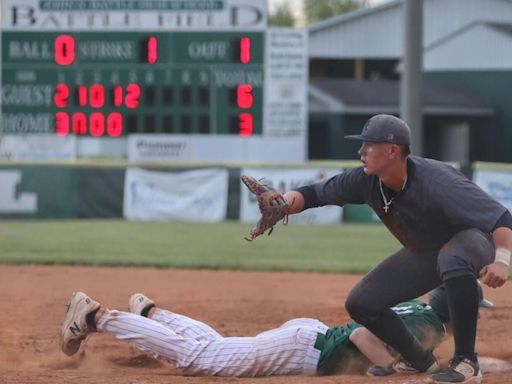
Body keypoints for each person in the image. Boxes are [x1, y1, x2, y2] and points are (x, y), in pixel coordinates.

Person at [272, 114, 512, 383]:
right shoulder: (364, 180)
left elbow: (501, 218)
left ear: (392, 151)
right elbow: (313, 194)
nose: (360, 151)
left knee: (453, 259)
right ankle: (419, 359)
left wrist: (502, 260)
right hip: (427, 251)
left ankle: (467, 363)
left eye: (368, 145)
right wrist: (283, 203)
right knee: (362, 303)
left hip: (473, 240)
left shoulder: (438, 181)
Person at [60, 285, 491, 377]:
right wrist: (405, 370)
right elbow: (362, 338)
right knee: (200, 361)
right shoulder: (428, 324)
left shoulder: (420, 310)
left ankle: (156, 316)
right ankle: (98, 317)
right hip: (306, 349)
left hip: (310, 337)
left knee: (216, 347)